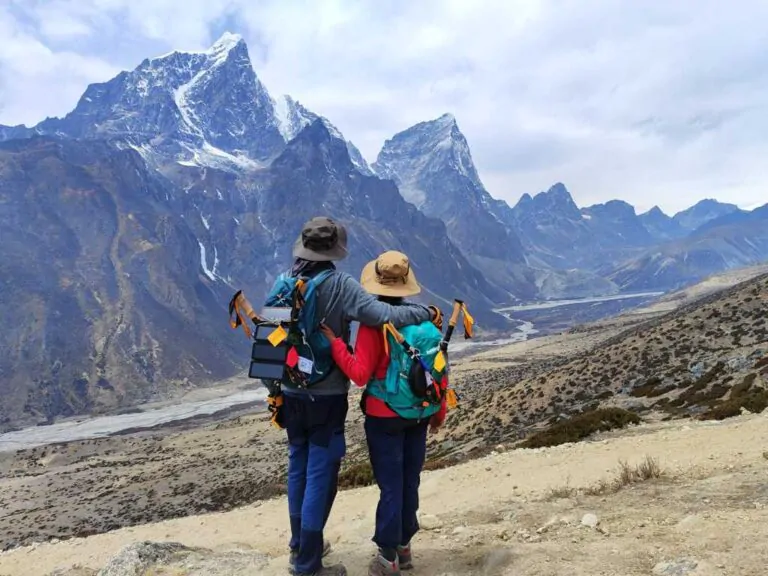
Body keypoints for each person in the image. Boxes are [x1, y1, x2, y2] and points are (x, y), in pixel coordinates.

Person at [277, 217, 438, 576]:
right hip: (327, 395)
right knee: (321, 471)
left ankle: (298, 548)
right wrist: (425, 312)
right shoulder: (340, 284)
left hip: (290, 390)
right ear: (336, 248)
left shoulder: (285, 280)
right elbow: (380, 315)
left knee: (298, 465)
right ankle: (308, 564)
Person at [320, 250, 447, 576]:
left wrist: (336, 344)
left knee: (390, 485)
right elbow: (437, 368)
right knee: (409, 481)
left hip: (384, 416)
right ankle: (404, 549)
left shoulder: (372, 325)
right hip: (418, 413)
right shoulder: (421, 319)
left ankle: (387, 558)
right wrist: (438, 411)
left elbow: (359, 374)